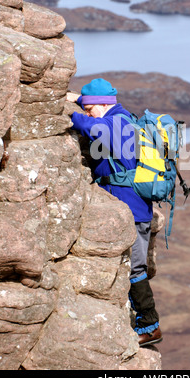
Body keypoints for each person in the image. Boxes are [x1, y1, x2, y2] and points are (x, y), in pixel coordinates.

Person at [66, 78, 162, 347]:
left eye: (89, 107)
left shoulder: (118, 122)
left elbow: (93, 128)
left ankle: (150, 326)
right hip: (127, 207)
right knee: (128, 266)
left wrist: (73, 115)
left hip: (133, 211)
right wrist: (80, 101)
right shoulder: (119, 116)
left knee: (136, 268)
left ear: (100, 104)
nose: (87, 113)